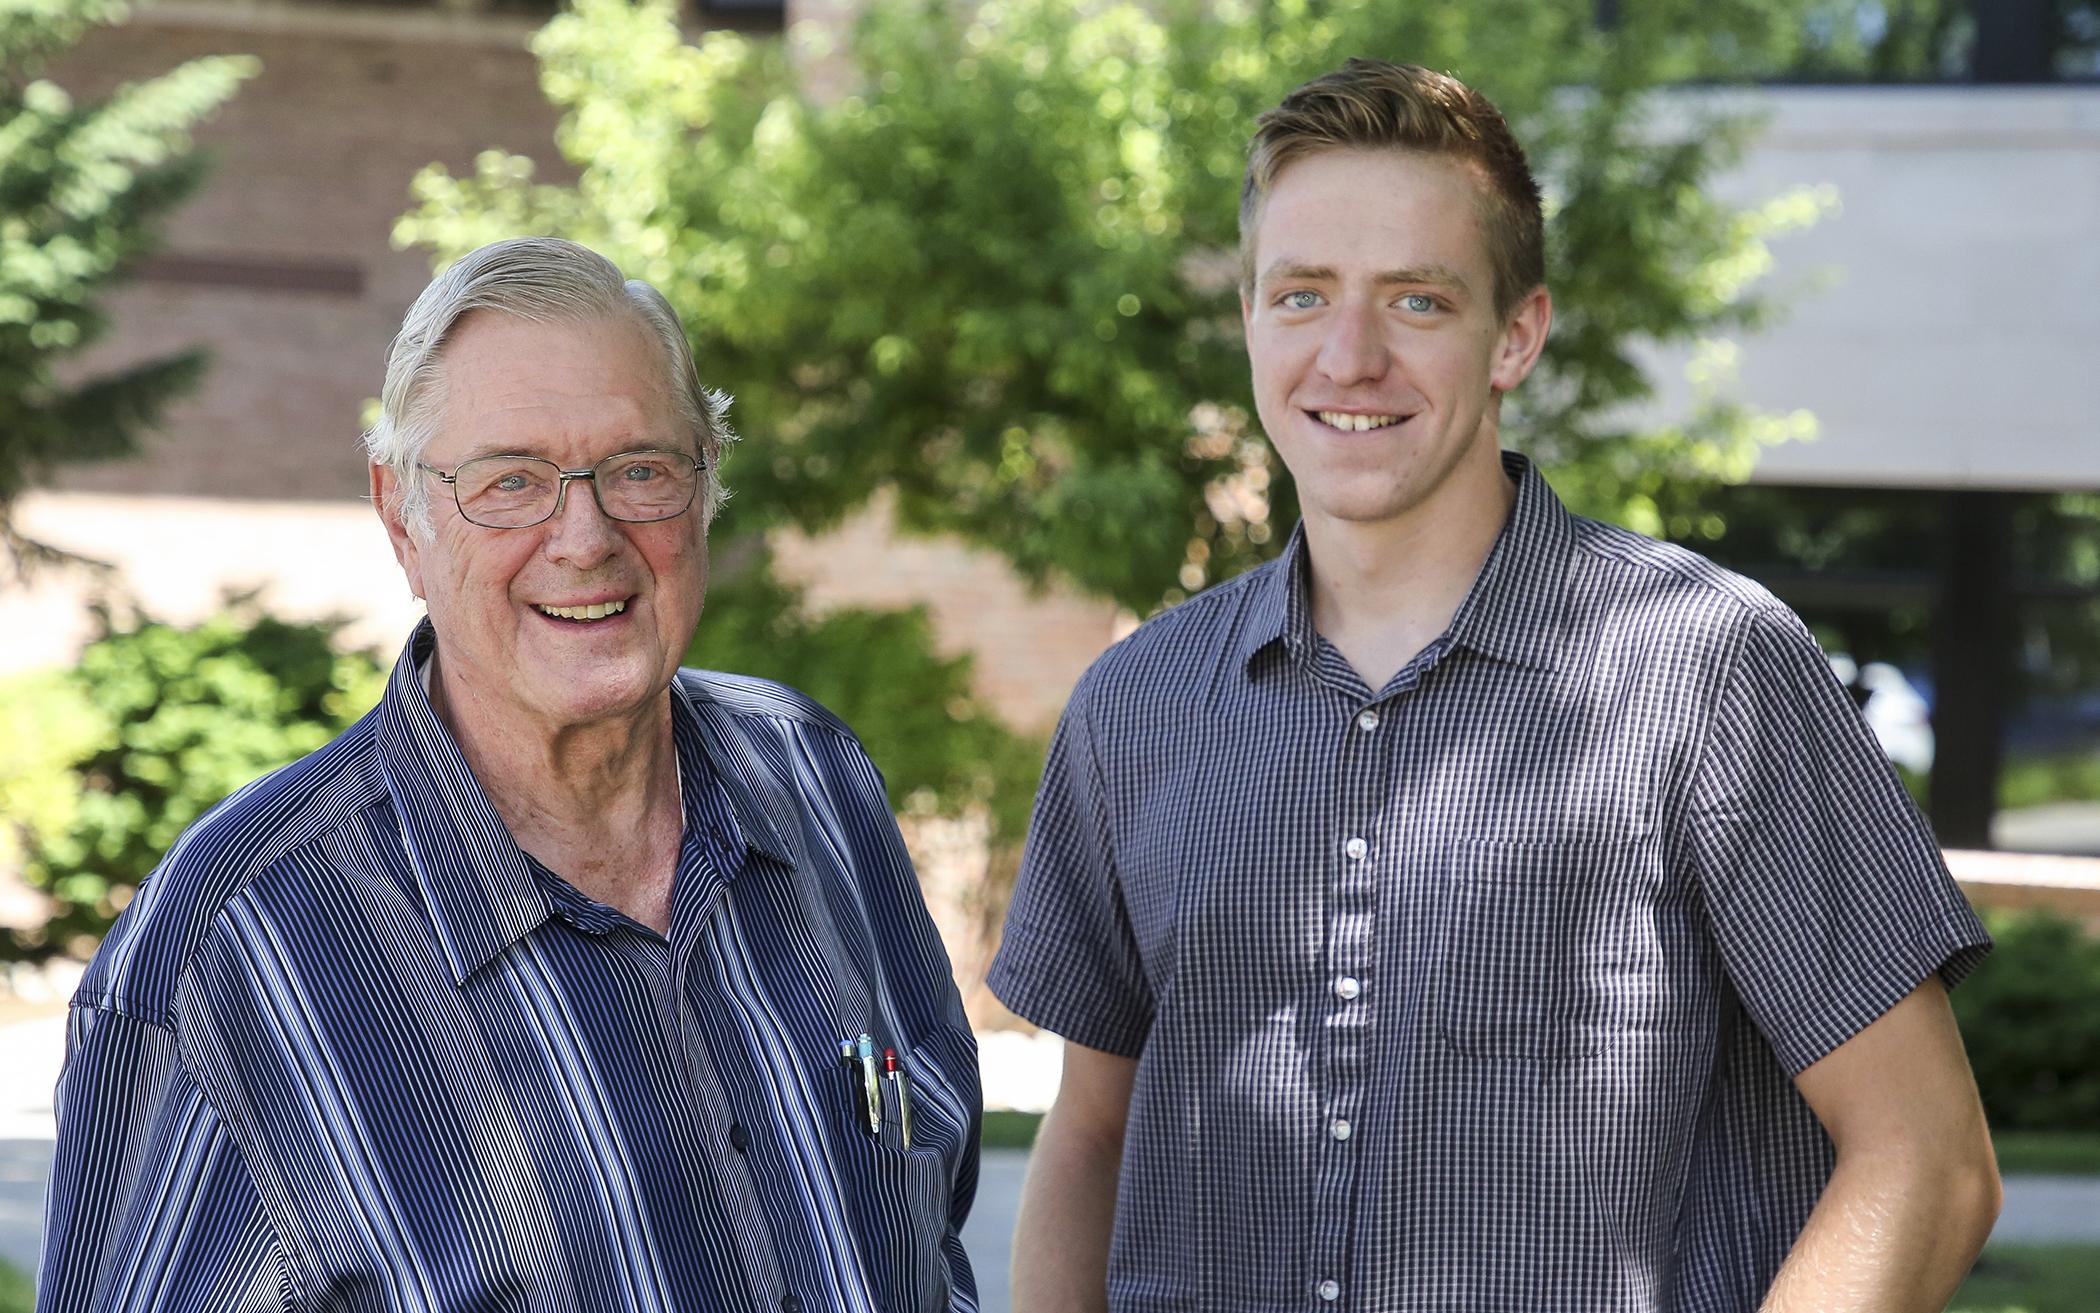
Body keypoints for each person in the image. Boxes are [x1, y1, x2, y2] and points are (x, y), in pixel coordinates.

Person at [989, 59, 1999, 1312]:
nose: (1347, 357)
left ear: (1515, 333)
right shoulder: (1134, 708)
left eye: (1415, 301)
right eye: (1301, 295)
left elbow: (1930, 1161)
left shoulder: (1706, 674)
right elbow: (1089, 1140)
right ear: (1249, 317)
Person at [38, 237, 979, 1313]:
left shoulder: (816, 783)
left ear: (707, 482)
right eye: (511, 482)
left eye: (639, 469)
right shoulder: (228, 947)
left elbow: (932, 1232)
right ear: (404, 517)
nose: (584, 537)